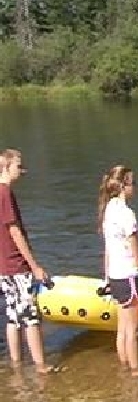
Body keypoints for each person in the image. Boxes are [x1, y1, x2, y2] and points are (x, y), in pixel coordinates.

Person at [98, 165, 138, 378]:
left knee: (122, 329)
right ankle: (136, 371)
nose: (136, 187)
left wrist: (106, 278)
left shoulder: (108, 210)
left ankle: (125, 368)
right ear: (123, 186)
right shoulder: (127, 214)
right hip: (129, 276)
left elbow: (108, 250)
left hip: (116, 277)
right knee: (133, 331)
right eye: (133, 183)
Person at [0, 149, 61, 373]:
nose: (22, 170)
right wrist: (34, 266)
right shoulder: (5, 193)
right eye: (18, 166)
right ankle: (41, 365)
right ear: (6, 167)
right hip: (16, 264)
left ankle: (16, 364)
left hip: (3, 266)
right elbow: (14, 231)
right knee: (30, 316)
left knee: (13, 316)